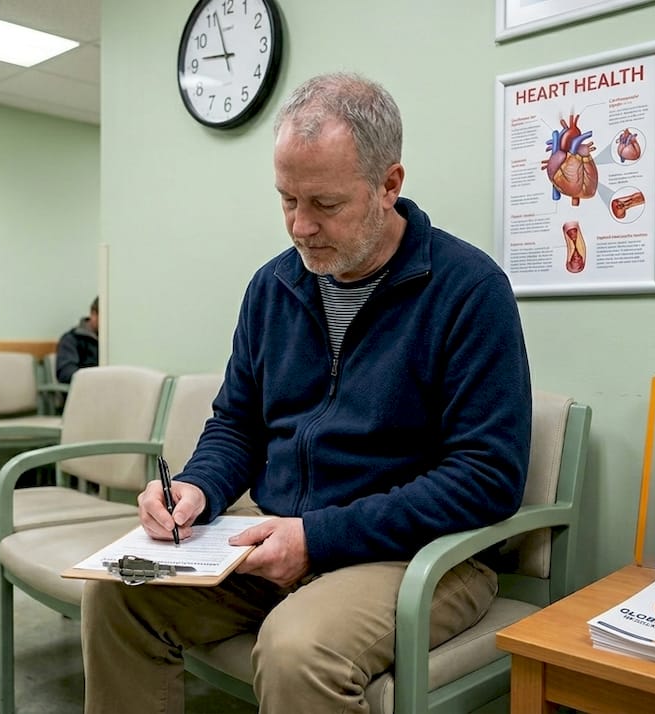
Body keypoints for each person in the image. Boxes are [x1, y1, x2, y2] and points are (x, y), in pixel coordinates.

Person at [81, 72, 532, 714]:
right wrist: (198, 489)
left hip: (417, 555)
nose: (299, 226)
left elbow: (487, 477)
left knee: (298, 651)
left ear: (389, 186)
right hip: (280, 535)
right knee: (120, 592)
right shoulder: (273, 287)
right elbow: (237, 422)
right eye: (286, 199)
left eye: (323, 203)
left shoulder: (469, 290)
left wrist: (317, 537)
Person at [54, 297, 99, 384]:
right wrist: (96, 378)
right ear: (93, 314)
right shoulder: (71, 339)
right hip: (84, 391)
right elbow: (66, 373)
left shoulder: (112, 341)